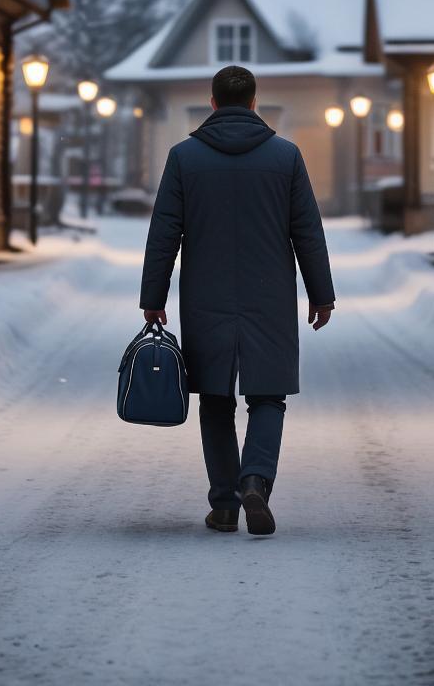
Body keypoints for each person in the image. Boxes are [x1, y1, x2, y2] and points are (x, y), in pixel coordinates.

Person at [139, 65, 335, 536]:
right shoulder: (286, 157)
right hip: (269, 293)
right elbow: (306, 229)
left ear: (211, 103)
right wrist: (321, 294)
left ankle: (225, 504)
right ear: (254, 102)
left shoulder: (184, 157)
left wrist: (153, 296)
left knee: (216, 398)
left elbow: (165, 231)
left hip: (206, 293)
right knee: (268, 396)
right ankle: (255, 480)